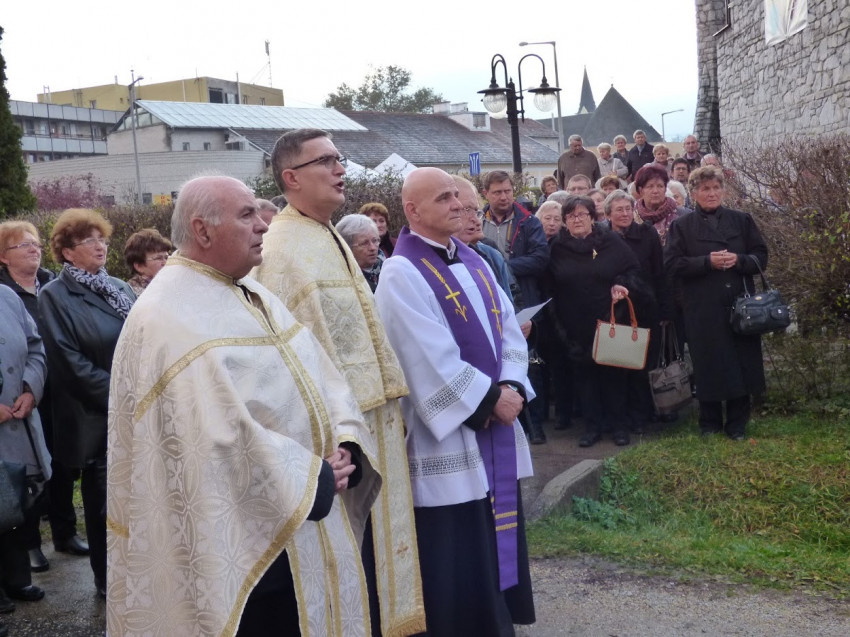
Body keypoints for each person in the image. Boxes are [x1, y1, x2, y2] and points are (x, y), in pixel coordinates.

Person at [107, 175, 379, 636]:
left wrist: (346, 440)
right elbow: (211, 435)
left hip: (305, 516)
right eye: (247, 214)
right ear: (203, 230)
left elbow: (317, 371)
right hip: (248, 545)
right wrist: (312, 477)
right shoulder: (167, 316)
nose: (263, 225)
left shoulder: (252, 291)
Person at [254, 129, 425, 637]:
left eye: (339, 158)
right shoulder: (281, 250)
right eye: (326, 161)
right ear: (291, 177)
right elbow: (285, 360)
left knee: (374, 555)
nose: (340, 169)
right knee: (343, 560)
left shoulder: (326, 233)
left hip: (372, 420)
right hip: (336, 438)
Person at [375, 167, 535, 636]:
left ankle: (497, 621)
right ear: (412, 210)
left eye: (457, 196)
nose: (458, 205)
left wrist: (512, 386)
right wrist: (489, 401)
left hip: (494, 419)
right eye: (443, 197)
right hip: (449, 437)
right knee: (459, 544)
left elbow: (509, 328)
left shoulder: (474, 261)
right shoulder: (401, 273)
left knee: (493, 533)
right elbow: (424, 355)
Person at [38, 208, 135, 599]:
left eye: (102, 238)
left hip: (136, 410)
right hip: (96, 417)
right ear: (67, 252)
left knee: (138, 499)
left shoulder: (119, 287)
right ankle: (107, 580)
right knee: (102, 505)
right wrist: (123, 396)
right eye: (89, 240)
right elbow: (67, 361)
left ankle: (139, 572)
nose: (100, 246)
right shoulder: (54, 296)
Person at [0, 221, 89, 575]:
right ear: (3, 257)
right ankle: (31, 543)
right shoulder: (7, 294)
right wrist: (27, 389)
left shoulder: (54, 286)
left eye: (35, 243)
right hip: (21, 401)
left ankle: (65, 532)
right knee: (25, 472)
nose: (33, 249)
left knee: (63, 464)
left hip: (59, 391)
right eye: (23, 245)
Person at [665, 166, 768, 440]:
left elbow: (761, 257)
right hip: (702, 307)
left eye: (716, 188)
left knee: (740, 362)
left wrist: (740, 260)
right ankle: (709, 422)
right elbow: (672, 264)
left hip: (739, 304)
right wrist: (706, 262)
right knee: (708, 363)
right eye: (705, 189)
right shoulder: (681, 226)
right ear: (694, 193)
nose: (711, 193)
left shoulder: (741, 220)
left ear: (723, 190)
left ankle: (737, 424)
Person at [545, 195, 645, 447]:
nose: (577, 220)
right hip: (573, 323)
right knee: (584, 377)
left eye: (582, 214)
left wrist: (621, 284)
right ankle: (592, 428)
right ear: (565, 221)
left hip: (610, 320)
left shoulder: (610, 241)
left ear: (592, 217)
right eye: (571, 216)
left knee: (614, 375)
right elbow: (550, 285)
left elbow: (632, 269)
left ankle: (619, 426)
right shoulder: (557, 247)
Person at [0, 286, 51, 615]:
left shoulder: (7, 296)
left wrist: (31, 388)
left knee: (15, 504)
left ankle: (16, 579)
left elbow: (36, 348)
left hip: (18, 423)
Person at [604, 190, 672, 433]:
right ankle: (622, 416)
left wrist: (665, 309)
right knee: (618, 366)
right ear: (608, 214)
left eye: (627, 209)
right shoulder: (602, 236)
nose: (624, 214)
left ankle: (643, 414)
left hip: (645, 307)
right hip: (615, 310)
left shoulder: (646, 233)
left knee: (644, 364)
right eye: (618, 210)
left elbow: (659, 272)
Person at [479, 170, 549, 309]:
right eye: (497, 192)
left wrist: (502, 267)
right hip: (487, 296)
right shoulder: (477, 222)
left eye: (507, 191)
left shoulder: (529, 222)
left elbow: (540, 258)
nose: (504, 197)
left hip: (522, 297)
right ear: (485, 193)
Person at [633, 164, 690, 246]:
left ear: (665, 189)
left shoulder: (683, 215)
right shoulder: (631, 217)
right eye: (650, 186)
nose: (655, 191)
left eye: (660, 186)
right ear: (641, 190)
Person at [336, 214, 384, 292]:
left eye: (374, 240)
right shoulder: (342, 282)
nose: (372, 248)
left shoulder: (387, 270)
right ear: (348, 247)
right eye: (364, 243)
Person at [123, 228, 173, 296]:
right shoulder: (131, 295)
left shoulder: (171, 285)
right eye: (158, 258)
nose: (165, 263)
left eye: (166, 258)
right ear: (139, 266)